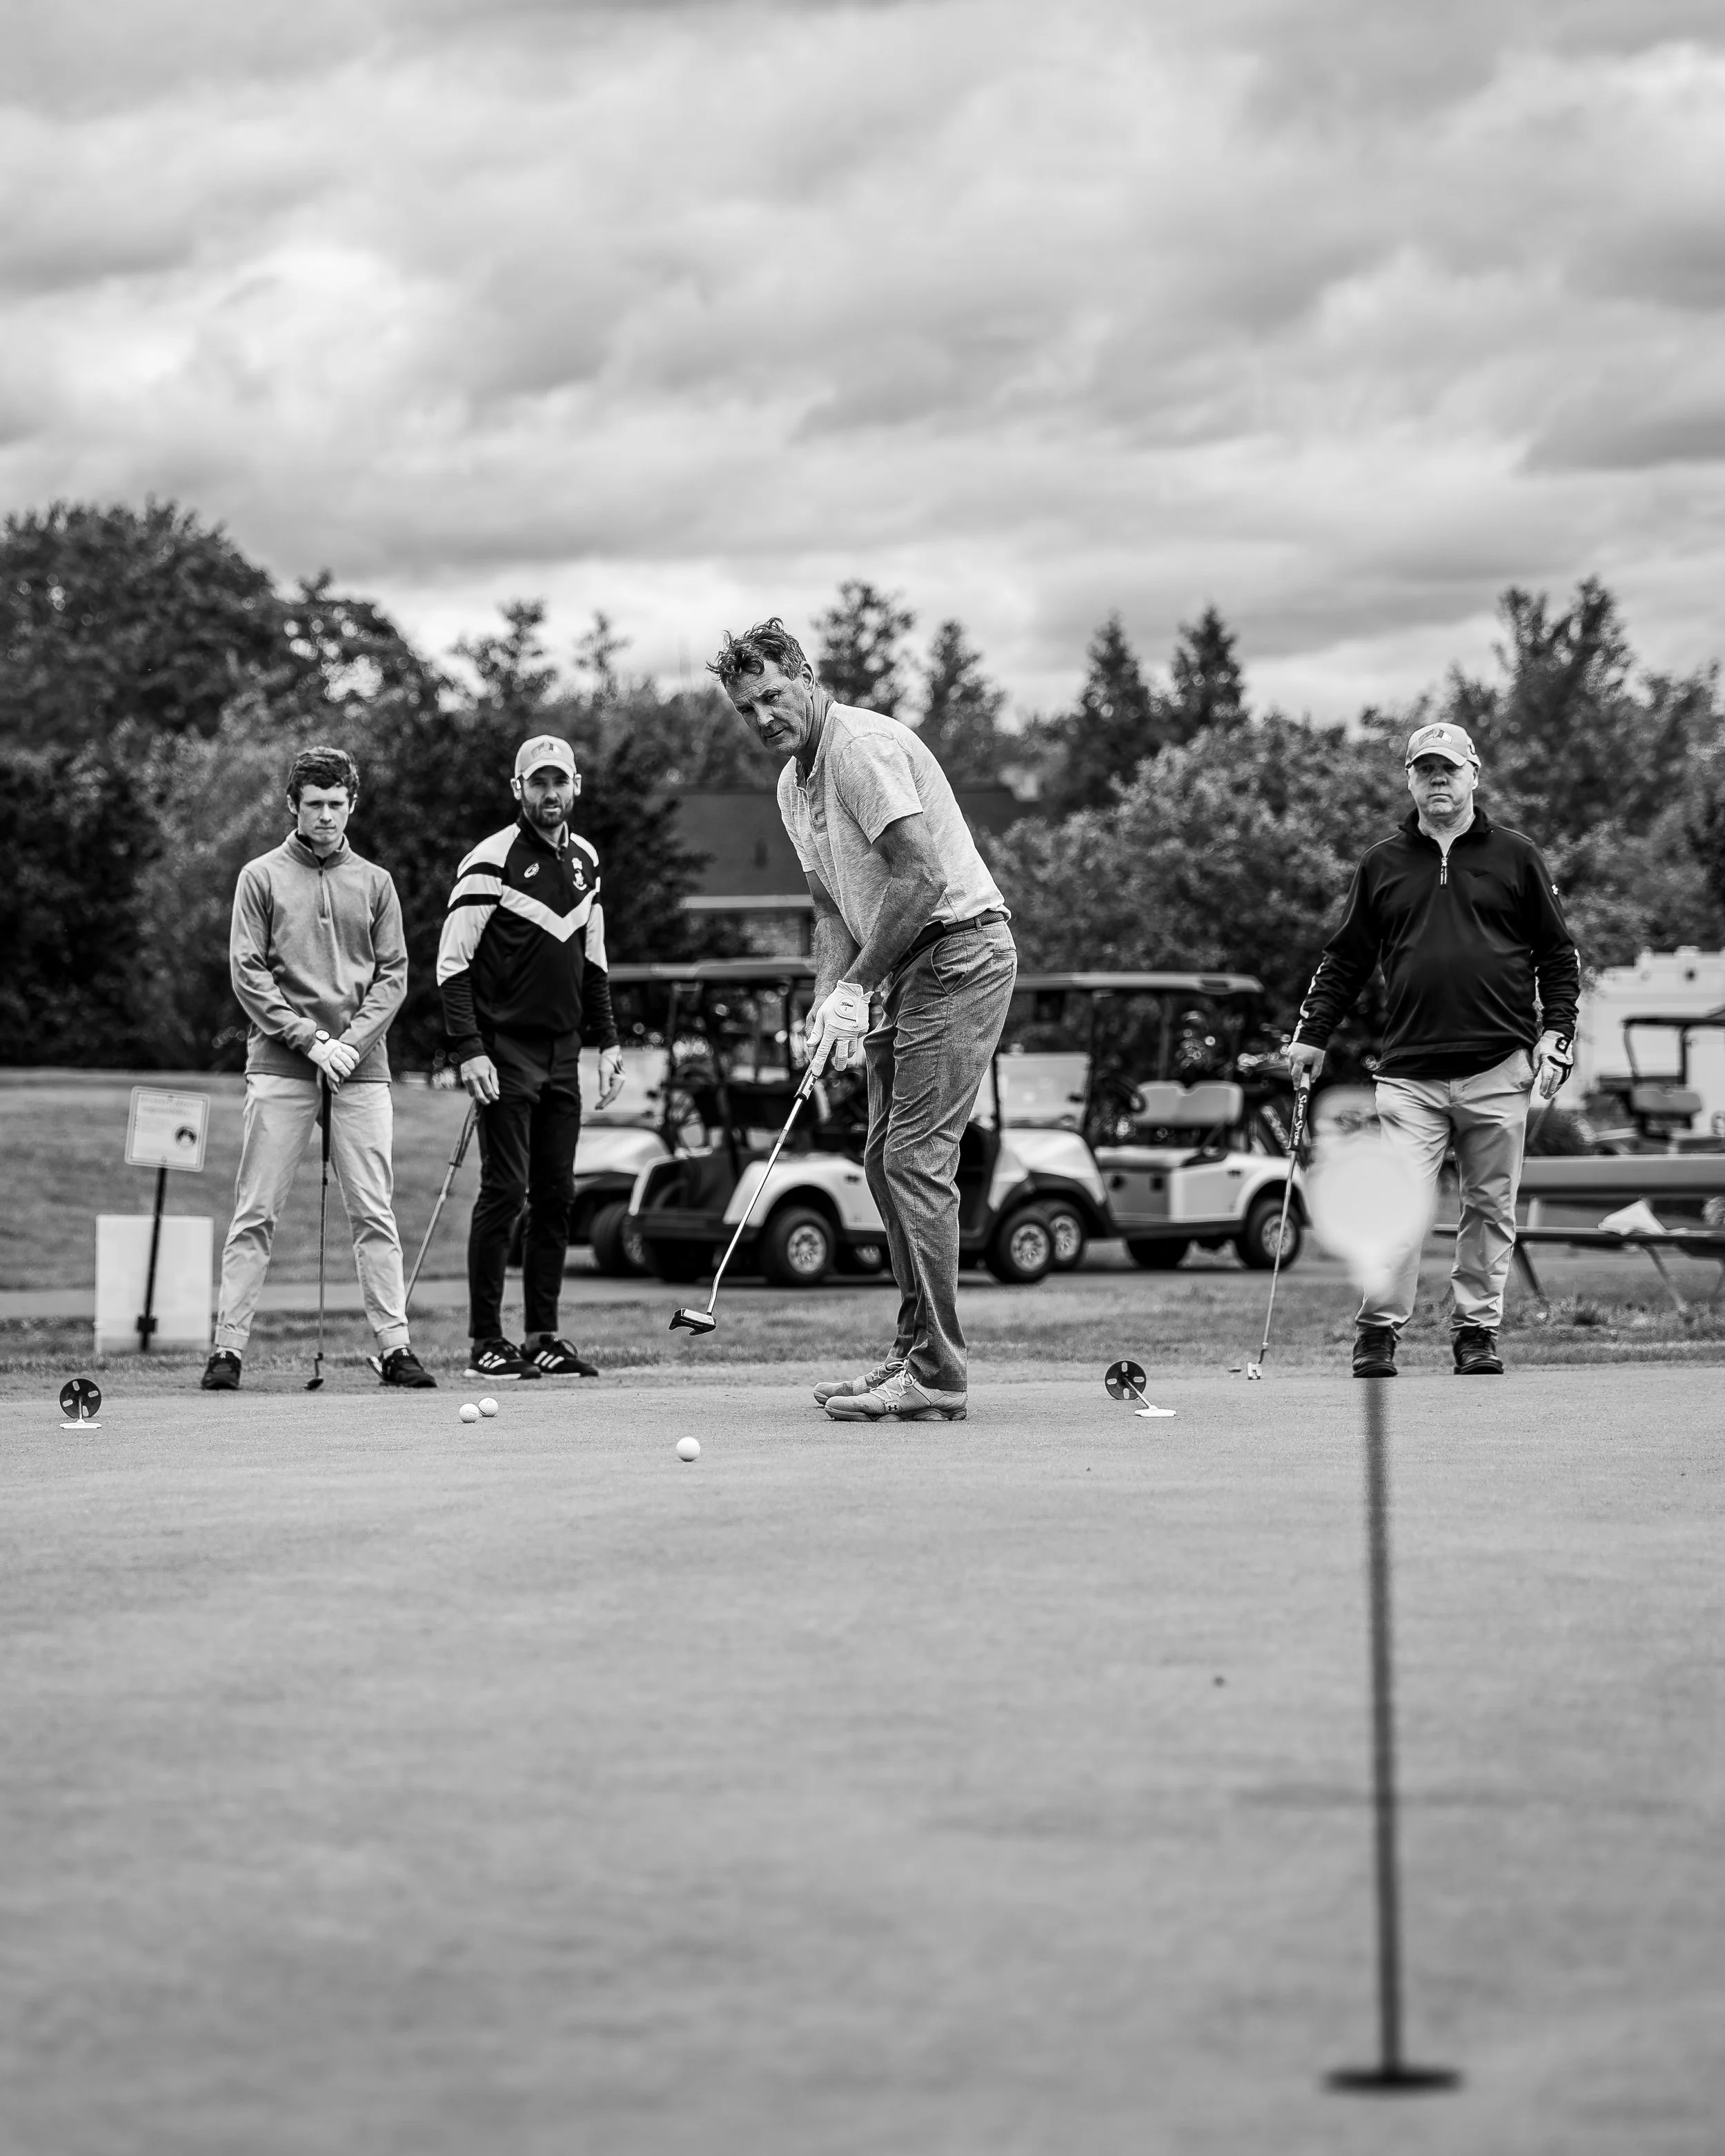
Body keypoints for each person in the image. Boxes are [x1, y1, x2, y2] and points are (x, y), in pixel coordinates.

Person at [709, 617, 1016, 1423]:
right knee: (883, 1161)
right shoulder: (792, 783)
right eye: (748, 707)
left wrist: (858, 987)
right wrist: (827, 1001)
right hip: (905, 965)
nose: (764, 716)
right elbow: (831, 908)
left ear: (806, 677)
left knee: (913, 1159)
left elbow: (920, 877)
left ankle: (938, 1374)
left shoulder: (858, 747)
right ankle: (913, 1356)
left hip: (957, 950)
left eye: (773, 695)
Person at [1288, 720, 1581, 1377]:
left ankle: (1476, 1332)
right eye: (1425, 769)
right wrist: (1312, 1036)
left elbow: (1558, 957)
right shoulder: (1383, 863)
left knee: (1488, 1209)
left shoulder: (1517, 856)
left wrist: (1557, 1033)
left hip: (1499, 1065)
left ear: (1475, 774)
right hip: (1410, 1073)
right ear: (1410, 781)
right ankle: (1378, 1332)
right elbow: (1346, 960)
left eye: (1449, 768)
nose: (1438, 779)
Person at [203, 746, 435, 1391]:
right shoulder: (260, 877)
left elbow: (394, 977)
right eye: (315, 805)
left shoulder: (377, 882)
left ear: (352, 804)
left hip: (361, 1069)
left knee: (374, 1212)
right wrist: (311, 1042)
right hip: (281, 1063)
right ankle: (228, 1349)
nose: (326, 816)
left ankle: (395, 1347)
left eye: (337, 804)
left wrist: (350, 1047)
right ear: (293, 806)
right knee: (256, 1210)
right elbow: (247, 973)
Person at [437, 733, 624, 1382]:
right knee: (503, 1192)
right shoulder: (489, 860)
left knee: (556, 1195)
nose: (551, 793)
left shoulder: (587, 861)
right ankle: (486, 1340)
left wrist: (608, 1042)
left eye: (560, 781)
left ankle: (542, 1333)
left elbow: (593, 961)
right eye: (538, 782)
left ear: (576, 786)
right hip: (505, 1050)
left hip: (564, 1050)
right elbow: (452, 965)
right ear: (519, 789)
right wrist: (470, 1050)